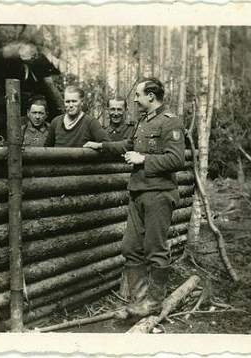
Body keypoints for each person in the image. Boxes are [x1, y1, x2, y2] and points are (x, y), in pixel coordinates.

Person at [84, 78, 185, 316]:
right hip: (138, 193)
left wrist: (144, 159)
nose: (135, 99)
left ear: (151, 96)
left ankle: (154, 302)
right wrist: (101, 146)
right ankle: (140, 301)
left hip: (159, 195)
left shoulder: (171, 123)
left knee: (155, 249)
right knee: (130, 247)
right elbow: (126, 145)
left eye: (138, 95)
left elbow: (177, 160)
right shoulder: (142, 122)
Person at [44, 85, 109, 147]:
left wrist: (95, 146)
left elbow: (106, 144)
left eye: (74, 101)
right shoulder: (56, 122)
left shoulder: (90, 123)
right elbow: (47, 148)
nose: (71, 105)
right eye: (67, 102)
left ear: (82, 102)